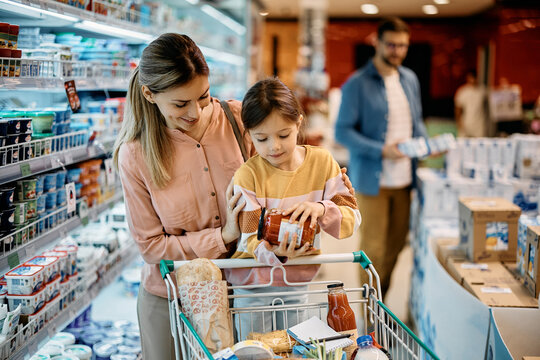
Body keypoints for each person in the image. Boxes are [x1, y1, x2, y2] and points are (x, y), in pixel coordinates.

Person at [112, 33, 255, 359]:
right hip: (171, 301)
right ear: (149, 94)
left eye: (203, 97)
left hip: (243, 291)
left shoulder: (237, 119)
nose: (196, 112)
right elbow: (152, 248)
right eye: (180, 103)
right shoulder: (135, 155)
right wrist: (223, 236)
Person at [226, 78, 362, 337]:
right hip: (253, 288)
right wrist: (276, 253)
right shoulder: (248, 175)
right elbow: (248, 237)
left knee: (296, 350)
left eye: (284, 135)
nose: (274, 146)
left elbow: (351, 218)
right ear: (249, 133)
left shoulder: (321, 162)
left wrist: (322, 208)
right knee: (256, 353)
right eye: (261, 138)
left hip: (298, 284)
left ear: (298, 123)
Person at [334, 17, 428, 298]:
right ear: (377, 42)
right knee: (373, 249)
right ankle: (369, 310)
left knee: (397, 246)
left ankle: (380, 299)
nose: (397, 51)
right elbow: (342, 131)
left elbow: (416, 123)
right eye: (391, 45)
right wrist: (381, 150)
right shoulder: (357, 84)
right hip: (373, 182)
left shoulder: (409, 79)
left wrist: (427, 145)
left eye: (403, 46)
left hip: (404, 182)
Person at [454, 69, 487, 137]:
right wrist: (459, 123)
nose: (472, 80)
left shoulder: (483, 91)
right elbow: (458, 109)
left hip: (479, 126)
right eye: (471, 77)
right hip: (466, 124)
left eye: (474, 77)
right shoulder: (462, 92)